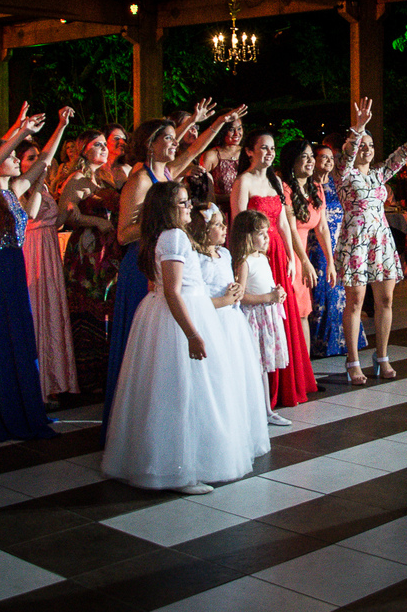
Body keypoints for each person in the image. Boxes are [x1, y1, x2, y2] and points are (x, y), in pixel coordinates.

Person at [102, 182, 269, 492]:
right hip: (180, 315)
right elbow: (173, 291)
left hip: (167, 312)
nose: (189, 207)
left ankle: (171, 463)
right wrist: (192, 333)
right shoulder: (175, 237)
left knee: (172, 392)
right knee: (186, 393)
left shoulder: (163, 237)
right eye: (182, 203)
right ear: (167, 208)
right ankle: (182, 469)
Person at [104, 104, 244, 438]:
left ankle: (169, 424)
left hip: (168, 259)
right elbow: (123, 233)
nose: (174, 144)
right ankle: (136, 428)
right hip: (143, 265)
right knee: (146, 352)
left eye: (173, 138)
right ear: (150, 144)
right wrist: (162, 221)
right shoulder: (139, 181)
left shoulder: (167, 173)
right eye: (166, 139)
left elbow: (195, 147)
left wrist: (217, 122)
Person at [0, 108, 71, 444]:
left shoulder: (14, 190)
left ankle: (20, 405)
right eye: (11, 156)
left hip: (14, 269)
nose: (15, 159)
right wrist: (20, 133)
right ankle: (0, 410)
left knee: (19, 341)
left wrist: (61, 126)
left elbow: (44, 161)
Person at [336, 97, 407, 384]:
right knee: (355, 302)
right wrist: (359, 129)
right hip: (355, 242)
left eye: (370, 146)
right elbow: (349, 153)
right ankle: (353, 361)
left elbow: (398, 159)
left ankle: (382, 357)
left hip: (381, 241)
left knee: (385, 299)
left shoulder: (378, 175)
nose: (365, 149)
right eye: (362, 145)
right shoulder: (344, 174)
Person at [232, 130, 317, 406]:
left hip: (279, 253)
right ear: (249, 151)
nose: (269, 153)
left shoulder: (276, 181)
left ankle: (288, 382)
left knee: (284, 316)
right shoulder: (242, 182)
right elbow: (238, 225)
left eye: (272, 149)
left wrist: (292, 257)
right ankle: (264, 388)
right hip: (256, 256)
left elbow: (283, 223)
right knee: (261, 317)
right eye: (263, 148)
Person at [59, 128, 122, 395]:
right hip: (87, 251)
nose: (103, 149)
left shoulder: (106, 178)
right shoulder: (76, 178)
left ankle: (106, 372)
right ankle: (87, 377)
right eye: (96, 145)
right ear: (84, 150)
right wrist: (97, 221)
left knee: (106, 307)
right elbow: (66, 214)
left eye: (103, 145)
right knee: (87, 309)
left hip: (108, 250)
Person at [17, 135, 77, 403]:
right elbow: (29, 216)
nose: (37, 162)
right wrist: (38, 181)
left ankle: (54, 380)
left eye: (38, 157)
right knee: (37, 312)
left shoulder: (44, 188)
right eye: (30, 158)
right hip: (32, 251)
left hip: (50, 250)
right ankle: (37, 384)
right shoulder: (17, 191)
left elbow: (58, 220)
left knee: (52, 312)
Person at [225, 207, 292, 426]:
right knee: (254, 365)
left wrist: (277, 292)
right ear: (247, 236)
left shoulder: (262, 258)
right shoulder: (244, 262)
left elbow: (267, 286)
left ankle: (266, 410)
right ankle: (254, 410)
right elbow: (241, 297)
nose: (267, 238)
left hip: (267, 315)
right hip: (254, 318)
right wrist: (267, 296)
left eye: (267, 233)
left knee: (262, 366)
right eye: (261, 234)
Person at [308, 143, 365, 358]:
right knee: (322, 292)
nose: (328, 161)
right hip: (317, 245)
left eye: (331, 158)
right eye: (323, 157)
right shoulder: (309, 185)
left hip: (341, 244)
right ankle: (320, 344)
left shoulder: (337, 183)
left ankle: (344, 342)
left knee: (342, 293)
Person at [280, 139, 325, 354]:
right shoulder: (285, 188)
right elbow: (289, 229)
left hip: (304, 251)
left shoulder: (316, 188)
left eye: (311, 156)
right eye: (304, 156)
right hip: (289, 252)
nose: (310, 160)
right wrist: (304, 262)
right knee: (293, 311)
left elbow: (322, 228)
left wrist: (331, 261)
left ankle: (306, 373)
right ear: (292, 161)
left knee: (304, 311)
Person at [200, 112, 246, 215]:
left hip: (245, 212)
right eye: (231, 129)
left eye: (239, 128)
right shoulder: (211, 156)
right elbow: (201, 192)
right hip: (220, 214)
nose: (236, 134)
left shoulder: (248, 153)